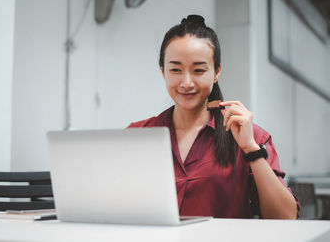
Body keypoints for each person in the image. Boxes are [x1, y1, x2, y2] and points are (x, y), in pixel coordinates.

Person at [128, 15, 299, 219]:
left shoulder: (249, 136)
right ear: (163, 71)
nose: (187, 82)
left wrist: (250, 149)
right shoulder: (137, 135)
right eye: (175, 69)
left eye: (199, 70)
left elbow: (285, 218)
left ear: (216, 72)